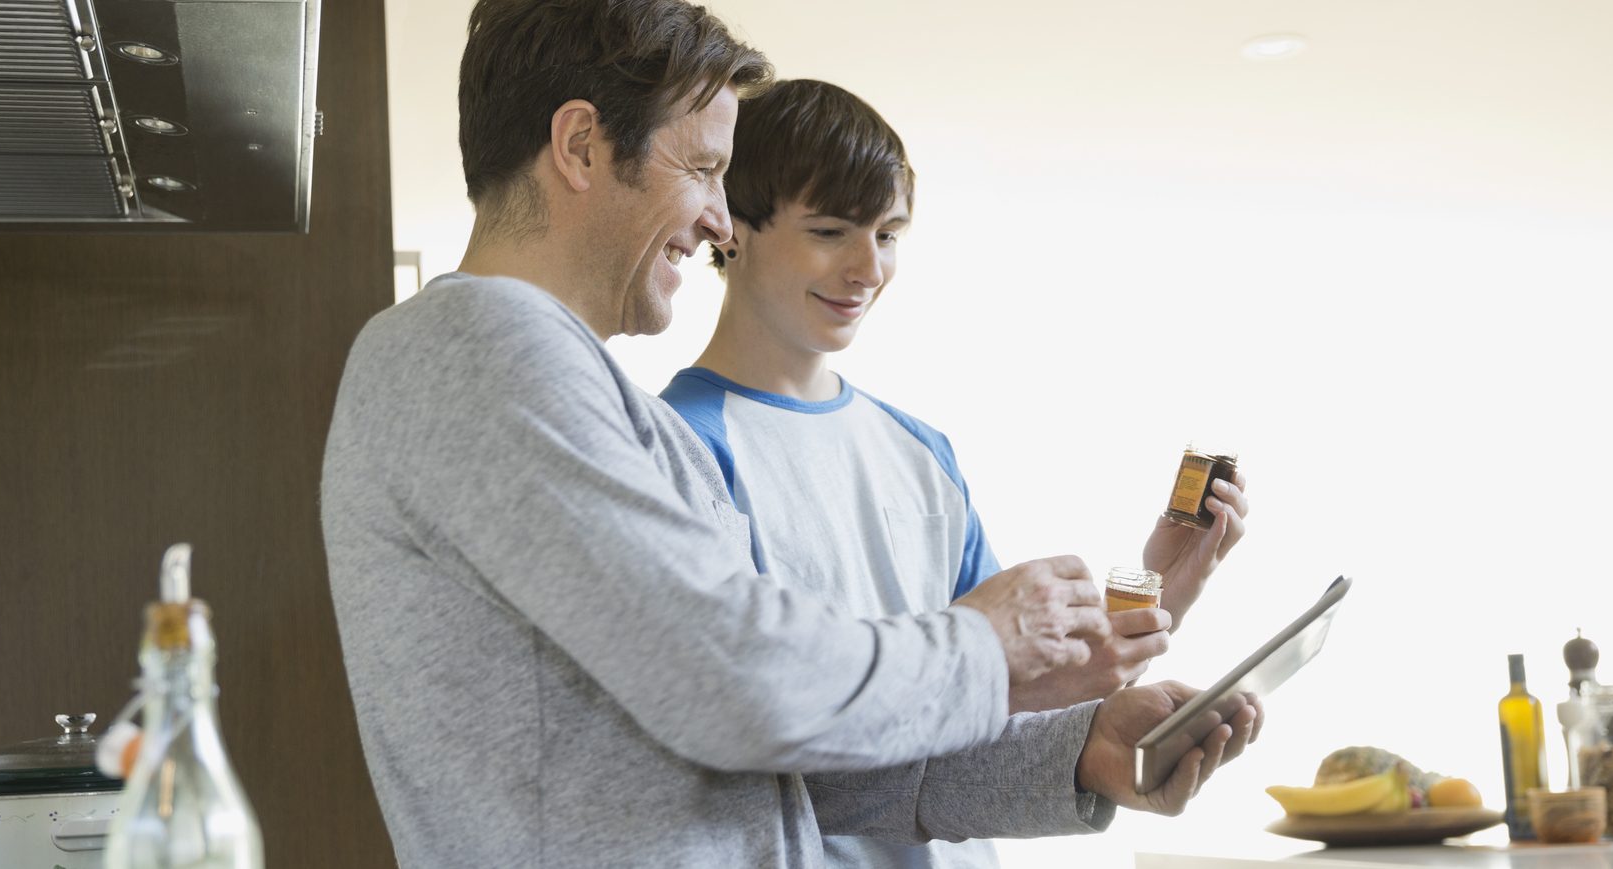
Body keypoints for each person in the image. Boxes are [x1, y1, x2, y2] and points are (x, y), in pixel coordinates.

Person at [320, 2, 1259, 866]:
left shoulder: (611, 408)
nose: (718, 219)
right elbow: (739, 681)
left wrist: (1081, 752)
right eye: (701, 169)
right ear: (580, 146)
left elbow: (785, 765)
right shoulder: (479, 344)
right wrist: (982, 644)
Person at [659, 79, 1254, 869]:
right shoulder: (680, 448)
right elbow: (744, 738)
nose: (867, 268)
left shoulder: (919, 449)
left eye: (889, 234)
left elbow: (1002, 695)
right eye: (832, 230)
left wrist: (1152, 591)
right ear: (729, 228)